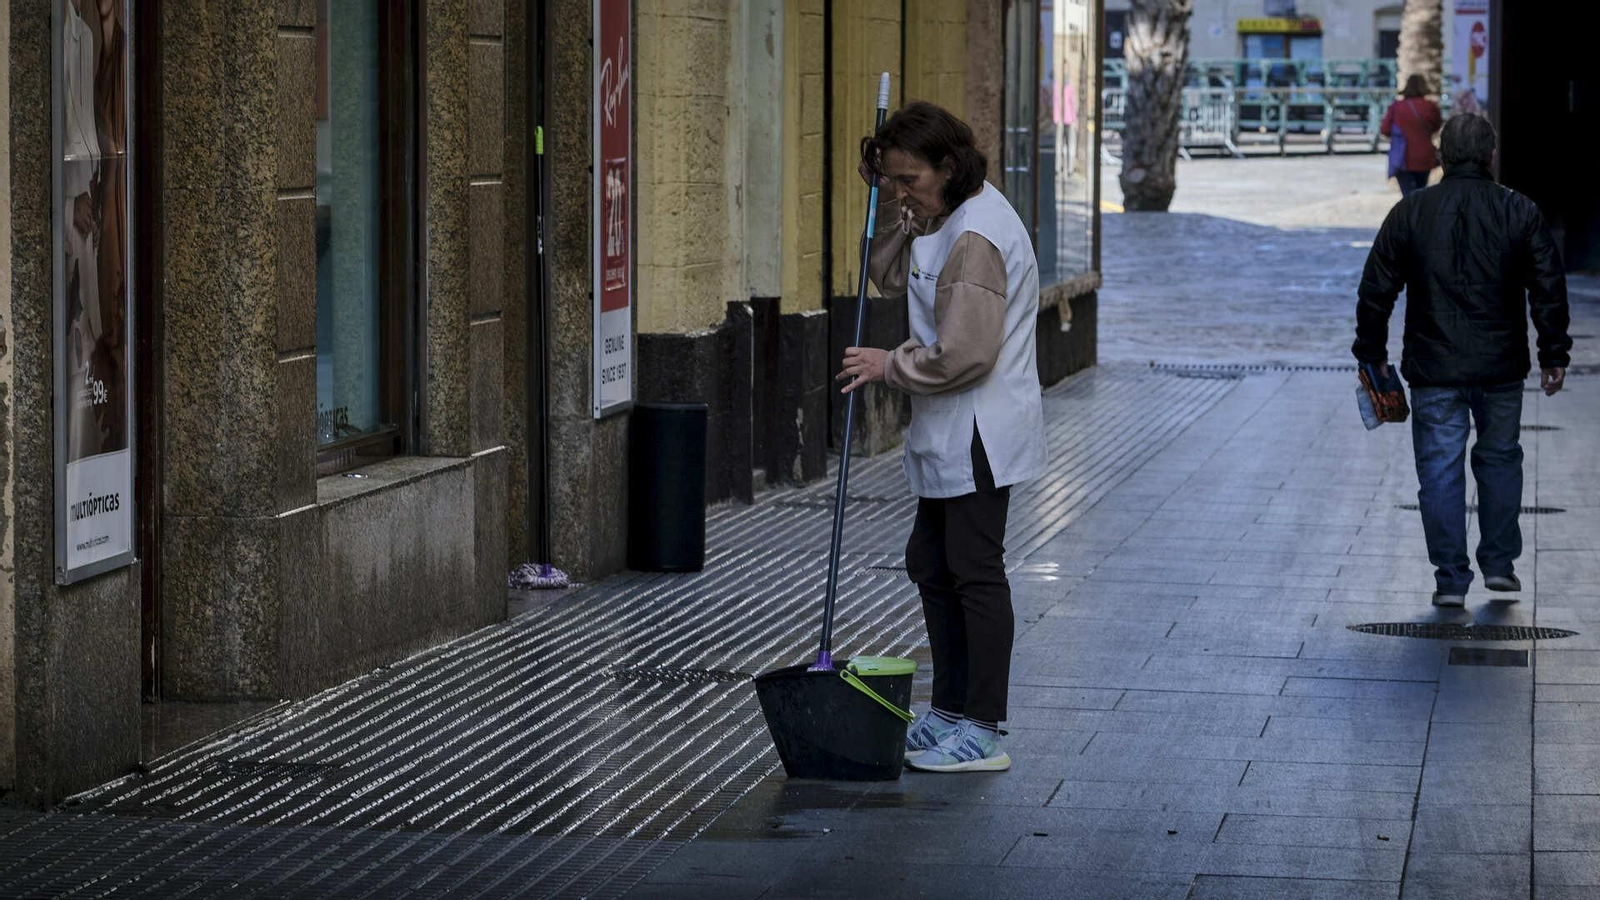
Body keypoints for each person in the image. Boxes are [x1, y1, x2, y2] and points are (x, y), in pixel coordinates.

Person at [837, 102, 1047, 773]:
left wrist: (886, 364)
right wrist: (902, 217)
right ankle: (950, 711)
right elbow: (890, 276)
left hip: (980, 427)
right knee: (933, 564)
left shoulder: (975, 237)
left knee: (974, 572)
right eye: (891, 180)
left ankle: (983, 728)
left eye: (910, 179)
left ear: (947, 167)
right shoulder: (942, 215)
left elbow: (966, 354)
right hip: (949, 428)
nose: (901, 191)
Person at [1353, 113, 1571, 607]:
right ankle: (1499, 565)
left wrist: (1371, 354)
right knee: (1500, 461)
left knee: (1439, 470)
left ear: (1441, 156)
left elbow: (1375, 290)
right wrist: (1553, 352)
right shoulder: (1519, 210)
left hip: (1433, 370)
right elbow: (1548, 288)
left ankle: (1450, 578)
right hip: (1500, 368)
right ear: (1490, 155)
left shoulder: (1411, 212)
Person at [1381, 75, 1443, 197]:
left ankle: (1411, 215)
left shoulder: (1396, 107)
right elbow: (1436, 126)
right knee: (1420, 191)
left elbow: (1385, 129)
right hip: (1425, 157)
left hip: (1403, 157)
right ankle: (1419, 215)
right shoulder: (1430, 106)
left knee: (1408, 196)